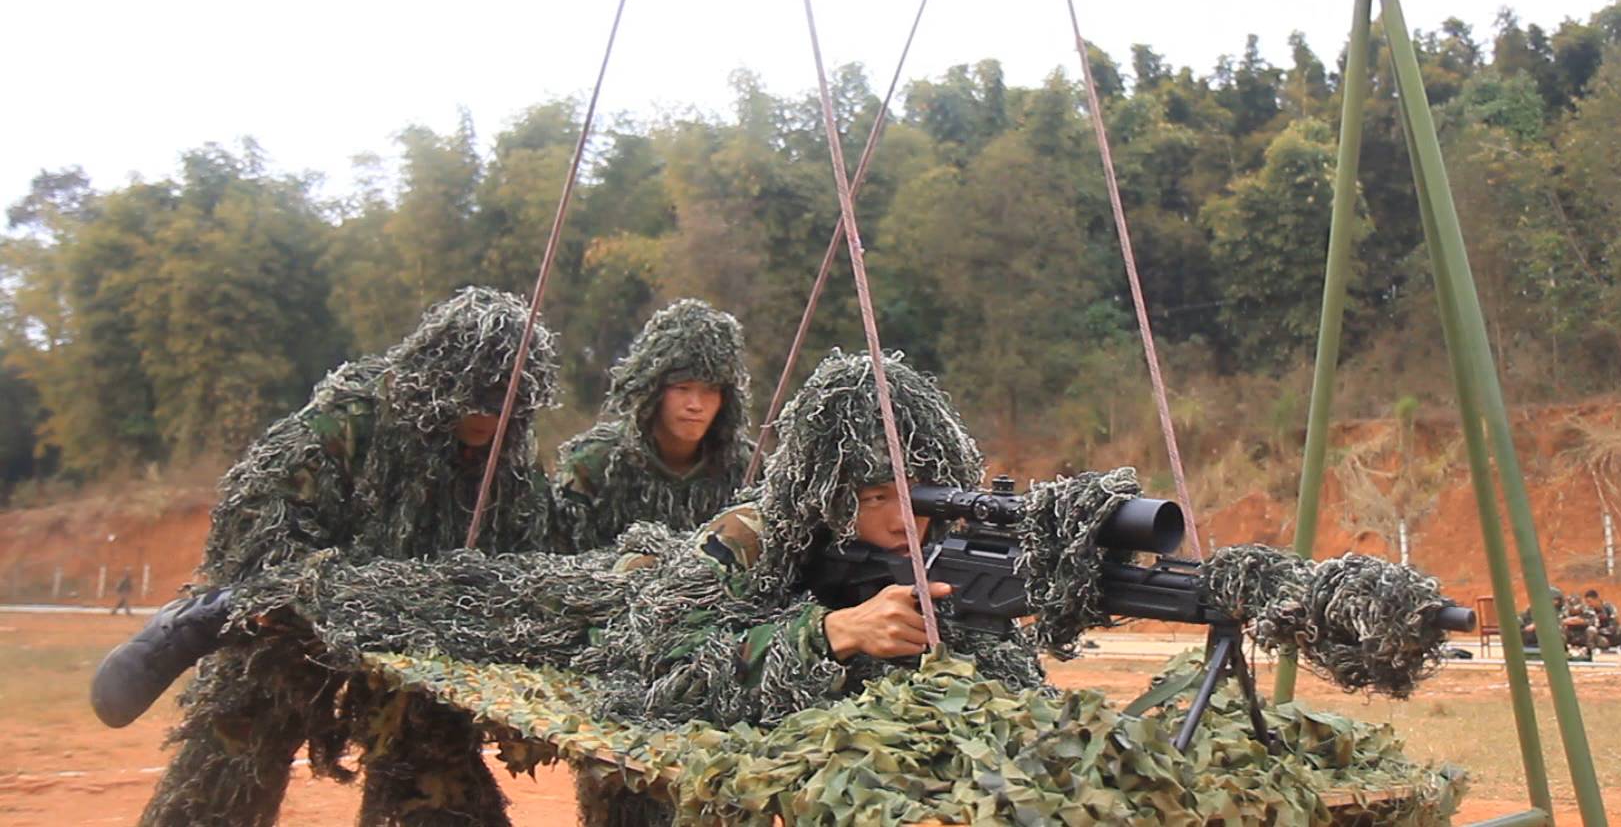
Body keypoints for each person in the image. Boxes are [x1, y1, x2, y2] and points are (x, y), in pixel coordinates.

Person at [137, 287, 562, 827]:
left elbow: (526, 565)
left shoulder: (513, 465)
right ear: (439, 380)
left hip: (415, 658)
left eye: (508, 400)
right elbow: (264, 536)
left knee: (440, 791)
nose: (489, 413)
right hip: (288, 633)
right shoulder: (349, 421)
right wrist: (352, 593)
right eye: (478, 394)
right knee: (228, 763)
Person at [576, 349, 1045, 823]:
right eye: (876, 498)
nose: (906, 522)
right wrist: (831, 634)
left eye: (921, 498)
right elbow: (666, 666)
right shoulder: (750, 536)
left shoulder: (945, 552)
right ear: (824, 496)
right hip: (630, 588)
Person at [552, 299, 754, 549]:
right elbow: (558, 563)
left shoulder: (747, 471)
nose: (696, 404)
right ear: (654, 390)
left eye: (710, 390)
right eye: (682, 388)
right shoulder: (595, 466)